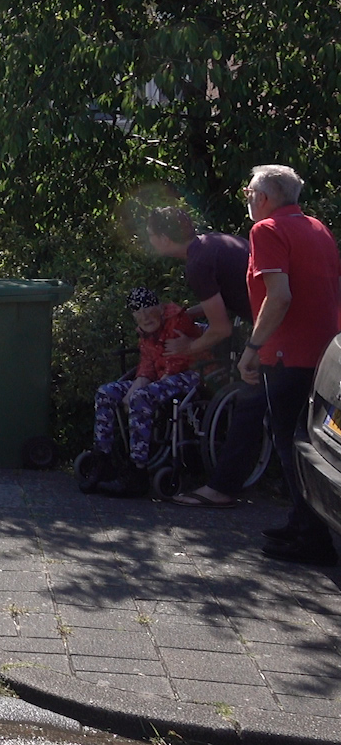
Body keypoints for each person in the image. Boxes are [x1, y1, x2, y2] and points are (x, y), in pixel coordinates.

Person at [234, 165, 339, 564]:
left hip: (287, 353)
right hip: (325, 352)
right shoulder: (317, 227)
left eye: (249, 194)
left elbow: (279, 296)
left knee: (288, 441)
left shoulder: (266, 231)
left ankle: (312, 538)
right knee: (312, 442)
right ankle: (301, 521)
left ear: (264, 197)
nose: (248, 201)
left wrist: (253, 346)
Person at [145, 207, 257, 508]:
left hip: (278, 328)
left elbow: (219, 328)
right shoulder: (213, 243)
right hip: (283, 321)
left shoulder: (197, 264)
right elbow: (225, 301)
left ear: (165, 238)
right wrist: (186, 314)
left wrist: (185, 348)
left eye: (151, 236)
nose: (149, 241)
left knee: (253, 406)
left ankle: (223, 488)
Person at [88, 287, 204, 496]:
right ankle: (103, 460)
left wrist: (141, 390)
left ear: (159, 308)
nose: (144, 316)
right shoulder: (146, 332)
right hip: (160, 377)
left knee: (141, 398)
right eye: (138, 313)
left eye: (148, 310)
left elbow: (180, 359)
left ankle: (137, 473)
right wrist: (135, 385)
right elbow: (147, 363)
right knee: (106, 392)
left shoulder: (178, 321)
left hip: (190, 375)